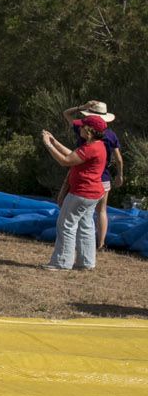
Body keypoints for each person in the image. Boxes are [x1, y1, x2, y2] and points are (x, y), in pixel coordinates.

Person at [43, 110, 109, 271]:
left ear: (90, 130)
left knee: (66, 224)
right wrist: (55, 141)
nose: (79, 128)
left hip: (81, 192)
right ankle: (86, 262)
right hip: (93, 193)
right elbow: (73, 156)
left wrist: (48, 144)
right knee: (86, 225)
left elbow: (66, 161)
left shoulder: (90, 148)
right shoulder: (98, 146)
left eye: (82, 126)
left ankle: (62, 262)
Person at [63, 100, 124, 254]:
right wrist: (119, 175)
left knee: (76, 212)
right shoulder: (110, 135)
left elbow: (66, 114)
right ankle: (100, 243)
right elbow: (118, 158)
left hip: (83, 174)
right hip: (103, 176)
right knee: (101, 210)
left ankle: (76, 242)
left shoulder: (82, 128)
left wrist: (81, 107)